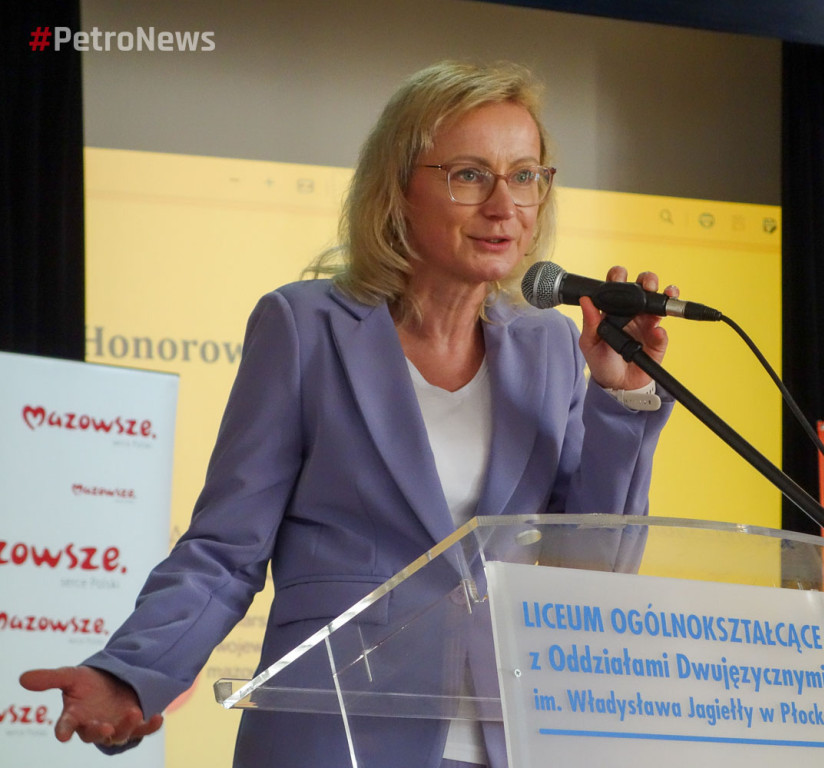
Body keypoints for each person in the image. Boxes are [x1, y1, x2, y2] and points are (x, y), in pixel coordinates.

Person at [20, 60, 676, 768]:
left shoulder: (550, 345)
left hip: (505, 739)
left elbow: (590, 569)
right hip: (333, 734)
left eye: (525, 176)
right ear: (398, 189)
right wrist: (131, 674)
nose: (503, 205)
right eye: (469, 175)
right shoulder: (305, 327)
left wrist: (623, 397)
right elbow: (226, 550)